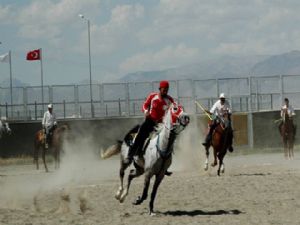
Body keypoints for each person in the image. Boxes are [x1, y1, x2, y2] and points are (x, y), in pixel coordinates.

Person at [124, 80, 175, 167]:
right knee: (140, 134)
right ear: (160, 89)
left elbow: (174, 110)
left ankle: (165, 162)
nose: (165, 91)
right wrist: (146, 111)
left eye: (167, 89)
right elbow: (145, 105)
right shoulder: (152, 96)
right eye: (164, 89)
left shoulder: (170, 100)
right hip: (150, 121)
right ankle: (131, 155)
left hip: (162, 124)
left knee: (170, 138)